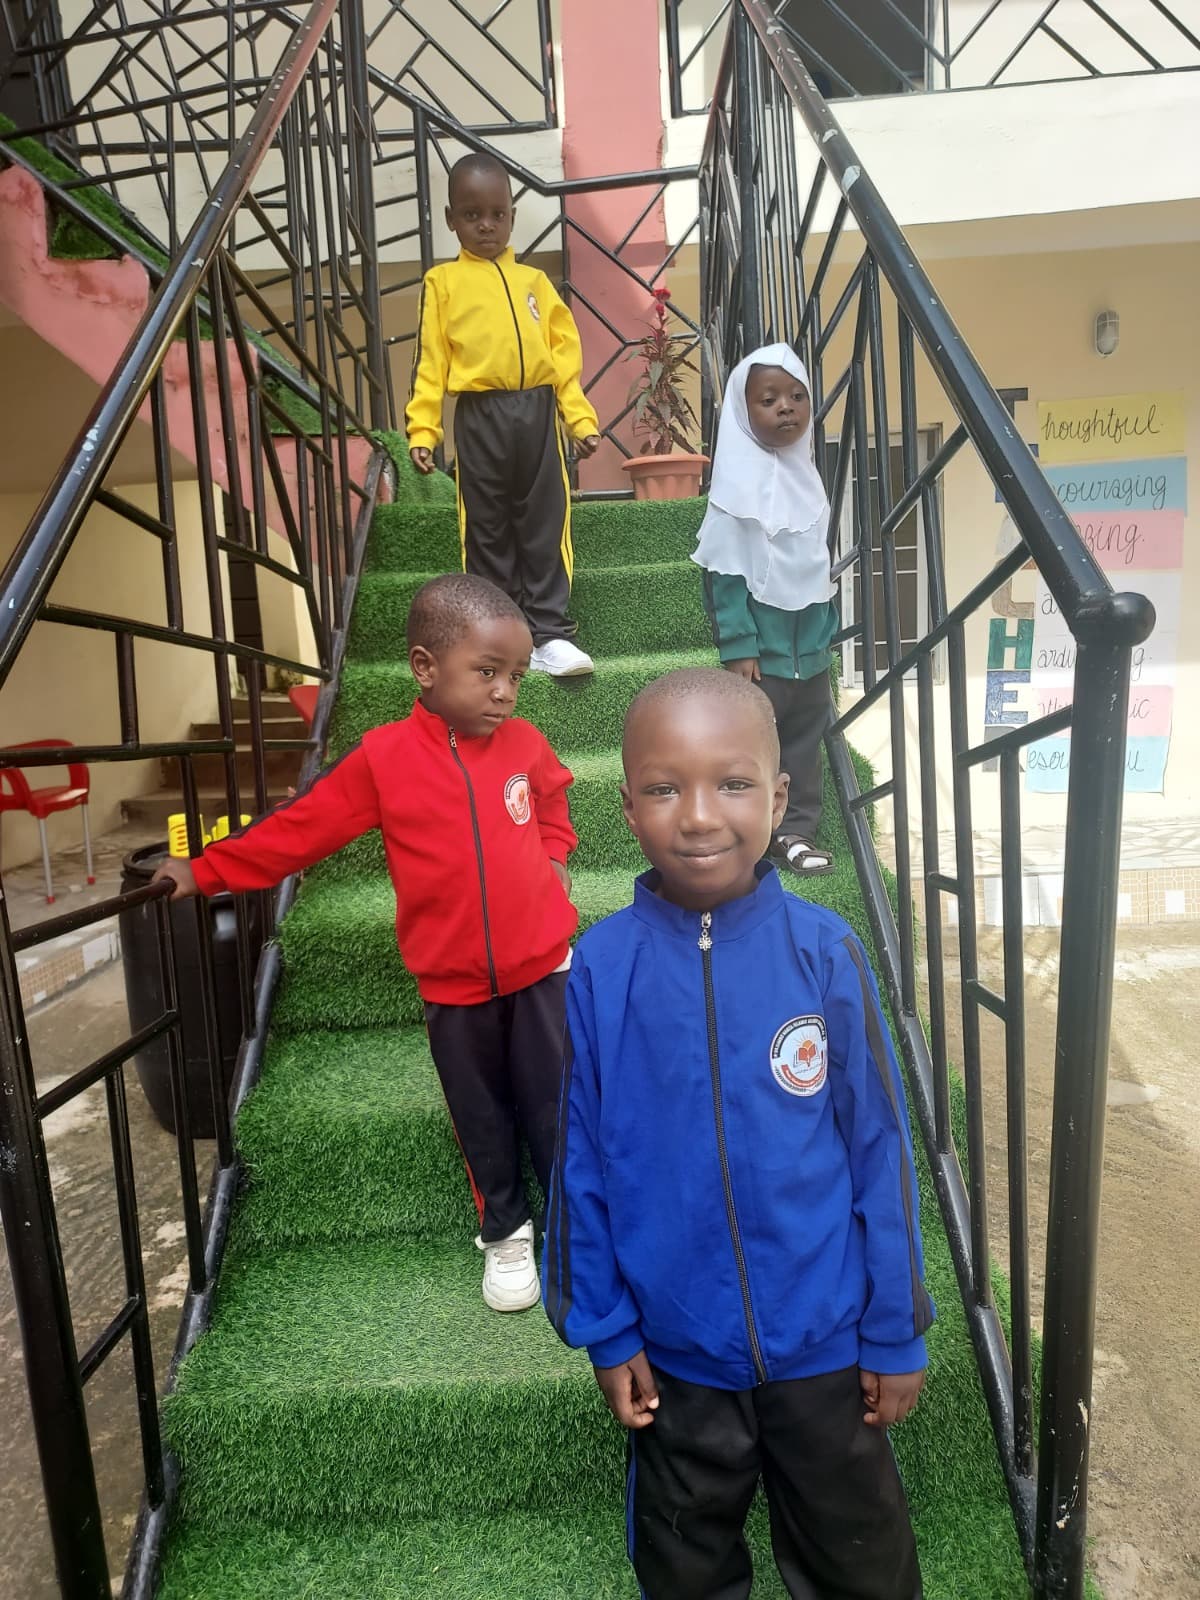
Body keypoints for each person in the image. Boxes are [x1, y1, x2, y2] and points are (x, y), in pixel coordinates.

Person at [544, 667, 933, 1600]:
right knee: (685, 1570)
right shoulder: (599, 970)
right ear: (628, 808)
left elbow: (881, 1149)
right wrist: (605, 1331)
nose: (700, 815)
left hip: (827, 1348)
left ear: (781, 796)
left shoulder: (827, 952)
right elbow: (580, 1166)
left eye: (734, 782)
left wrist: (894, 1332)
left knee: (862, 1566)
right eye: (664, 788)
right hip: (678, 1358)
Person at [152, 574, 578, 1314]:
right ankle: (506, 1231)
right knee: (480, 1112)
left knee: (557, 1103)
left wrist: (554, 859)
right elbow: (297, 831)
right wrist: (202, 870)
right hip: (453, 986)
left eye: (515, 675)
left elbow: (553, 795)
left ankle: (577, 1226)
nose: (506, 691)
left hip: (544, 968)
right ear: (424, 667)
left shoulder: (525, 743)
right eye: (487, 672)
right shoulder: (384, 760)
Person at [406, 151, 601, 679]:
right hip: (479, 416)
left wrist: (577, 419)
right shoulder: (442, 283)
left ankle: (551, 634)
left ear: (512, 214)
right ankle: (502, 634)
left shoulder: (534, 283)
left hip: (536, 414)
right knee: (486, 527)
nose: (486, 225)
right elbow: (431, 361)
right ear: (451, 219)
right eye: (472, 215)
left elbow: (563, 358)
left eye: (497, 213)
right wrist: (425, 428)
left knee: (544, 521)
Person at [693, 341, 840, 877]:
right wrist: (738, 646)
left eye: (797, 396)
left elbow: (816, 573)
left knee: (804, 744)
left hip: (811, 657)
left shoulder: (809, 483)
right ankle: (755, 832)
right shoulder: (736, 488)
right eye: (769, 398)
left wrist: (824, 641)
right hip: (764, 661)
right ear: (741, 409)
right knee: (758, 749)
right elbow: (727, 574)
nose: (786, 407)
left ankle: (798, 832)